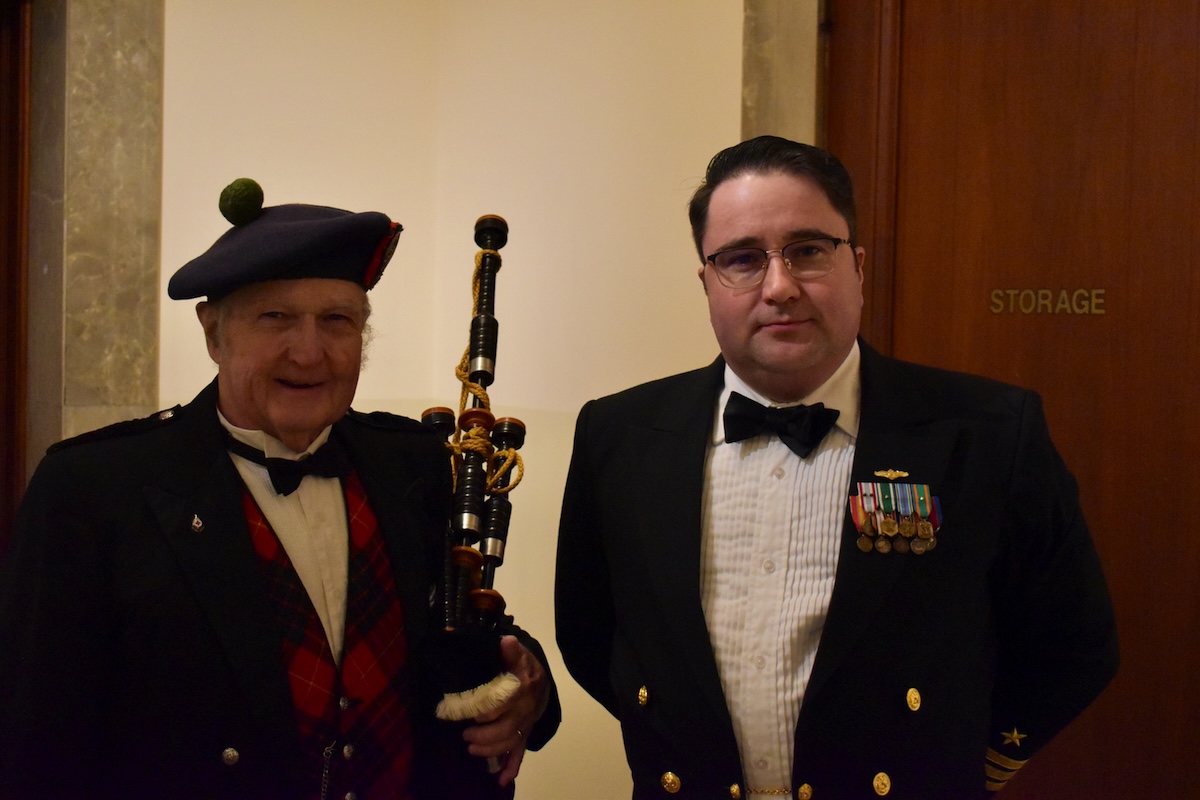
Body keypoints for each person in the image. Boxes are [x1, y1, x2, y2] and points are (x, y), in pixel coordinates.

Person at [555, 136, 1117, 800]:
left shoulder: (988, 433)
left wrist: (965, 765)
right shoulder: (618, 437)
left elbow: (1073, 642)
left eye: (808, 250)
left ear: (857, 265)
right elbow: (591, 634)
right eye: (742, 259)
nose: (779, 287)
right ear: (706, 283)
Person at [0, 180, 559, 800]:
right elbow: (37, 748)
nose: (310, 352)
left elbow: (463, 626)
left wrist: (529, 688)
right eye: (276, 318)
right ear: (213, 333)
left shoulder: (414, 463)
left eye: (337, 320)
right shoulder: (92, 491)